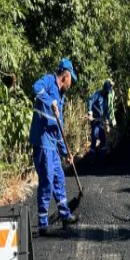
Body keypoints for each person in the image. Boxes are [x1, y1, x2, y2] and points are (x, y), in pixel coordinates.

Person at [29, 58, 79, 236]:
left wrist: (66, 153)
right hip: (42, 142)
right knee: (47, 180)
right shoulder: (49, 81)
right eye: (71, 78)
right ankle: (42, 224)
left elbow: (59, 127)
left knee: (59, 178)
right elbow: (35, 88)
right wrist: (50, 102)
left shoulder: (61, 96)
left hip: (52, 144)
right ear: (65, 76)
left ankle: (65, 215)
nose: (71, 83)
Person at [87, 80, 115, 156]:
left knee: (103, 138)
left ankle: (103, 158)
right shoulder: (98, 94)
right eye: (107, 91)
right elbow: (90, 100)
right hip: (95, 119)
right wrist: (90, 112)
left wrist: (109, 119)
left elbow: (107, 109)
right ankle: (91, 157)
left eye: (108, 91)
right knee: (95, 135)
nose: (108, 92)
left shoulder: (107, 97)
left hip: (101, 120)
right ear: (104, 89)